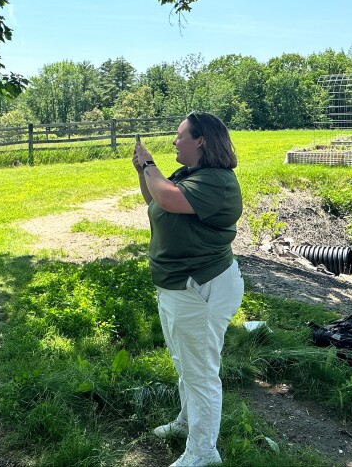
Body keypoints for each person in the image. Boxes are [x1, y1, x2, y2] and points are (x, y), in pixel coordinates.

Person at [133, 112, 244, 467]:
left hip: (201, 288)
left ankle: (203, 452)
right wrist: (142, 171)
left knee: (201, 372)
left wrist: (150, 162)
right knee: (185, 363)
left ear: (202, 141)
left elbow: (168, 199)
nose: (174, 142)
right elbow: (155, 199)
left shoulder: (217, 181)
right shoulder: (192, 175)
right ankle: (187, 423)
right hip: (179, 287)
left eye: (180, 136)